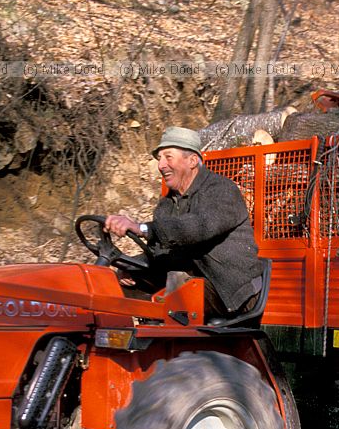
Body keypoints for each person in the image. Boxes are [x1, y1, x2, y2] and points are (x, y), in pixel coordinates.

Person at [104, 126, 264, 322]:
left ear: (192, 160)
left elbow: (199, 227)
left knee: (175, 295)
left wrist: (143, 228)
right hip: (188, 280)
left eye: (168, 157)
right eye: (159, 159)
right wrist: (130, 267)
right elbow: (159, 252)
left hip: (231, 289)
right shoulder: (166, 205)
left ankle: (163, 337)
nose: (161, 165)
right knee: (114, 288)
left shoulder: (222, 190)